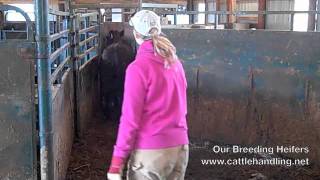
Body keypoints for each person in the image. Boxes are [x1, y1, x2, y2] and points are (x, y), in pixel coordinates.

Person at [107, 10, 189, 180]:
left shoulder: (138, 68)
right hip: (180, 149)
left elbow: (130, 119)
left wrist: (118, 159)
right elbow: (181, 105)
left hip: (151, 153)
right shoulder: (175, 63)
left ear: (136, 34)